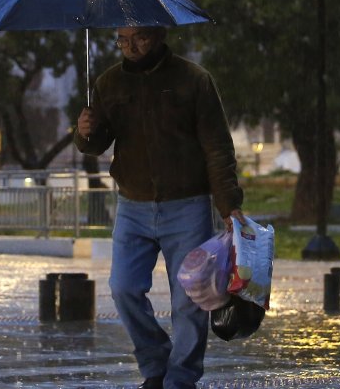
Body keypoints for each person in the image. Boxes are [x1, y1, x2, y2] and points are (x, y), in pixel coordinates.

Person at [75, 26, 244, 389]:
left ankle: (179, 379)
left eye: (139, 38)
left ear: (159, 34)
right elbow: (97, 143)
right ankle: (155, 365)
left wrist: (229, 205)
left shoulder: (193, 80)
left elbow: (217, 147)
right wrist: (84, 132)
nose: (130, 46)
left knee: (189, 300)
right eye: (122, 39)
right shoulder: (108, 83)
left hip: (187, 206)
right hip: (132, 205)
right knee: (122, 288)